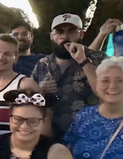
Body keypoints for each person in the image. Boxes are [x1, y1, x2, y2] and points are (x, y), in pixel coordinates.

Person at [31, 13, 107, 142]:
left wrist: (83, 61)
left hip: (89, 138)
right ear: (51, 36)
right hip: (48, 138)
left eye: (71, 31)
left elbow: (105, 92)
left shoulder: (99, 59)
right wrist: (40, 90)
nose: (65, 36)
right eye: (59, 32)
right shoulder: (42, 64)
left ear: (81, 34)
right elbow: (27, 99)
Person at [0, 34, 40, 142]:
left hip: (12, 154)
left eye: (7, 54)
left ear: (16, 58)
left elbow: (40, 124)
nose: (0, 57)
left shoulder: (25, 85)